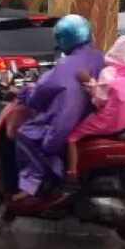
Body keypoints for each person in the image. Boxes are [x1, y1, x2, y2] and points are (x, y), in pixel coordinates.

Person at [12, 14, 104, 199]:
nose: (57, 44)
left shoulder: (64, 65)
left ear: (68, 37)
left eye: (59, 38)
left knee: (24, 134)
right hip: (90, 121)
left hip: (64, 126)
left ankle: (33, 184)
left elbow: (39, 95)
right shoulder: (99, 57)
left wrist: (22, 92)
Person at [66, 34, 125, 180]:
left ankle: (72, 174)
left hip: (112, 122)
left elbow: (99, 100)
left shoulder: (109, 73)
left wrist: (92, 87)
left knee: (71, 138)